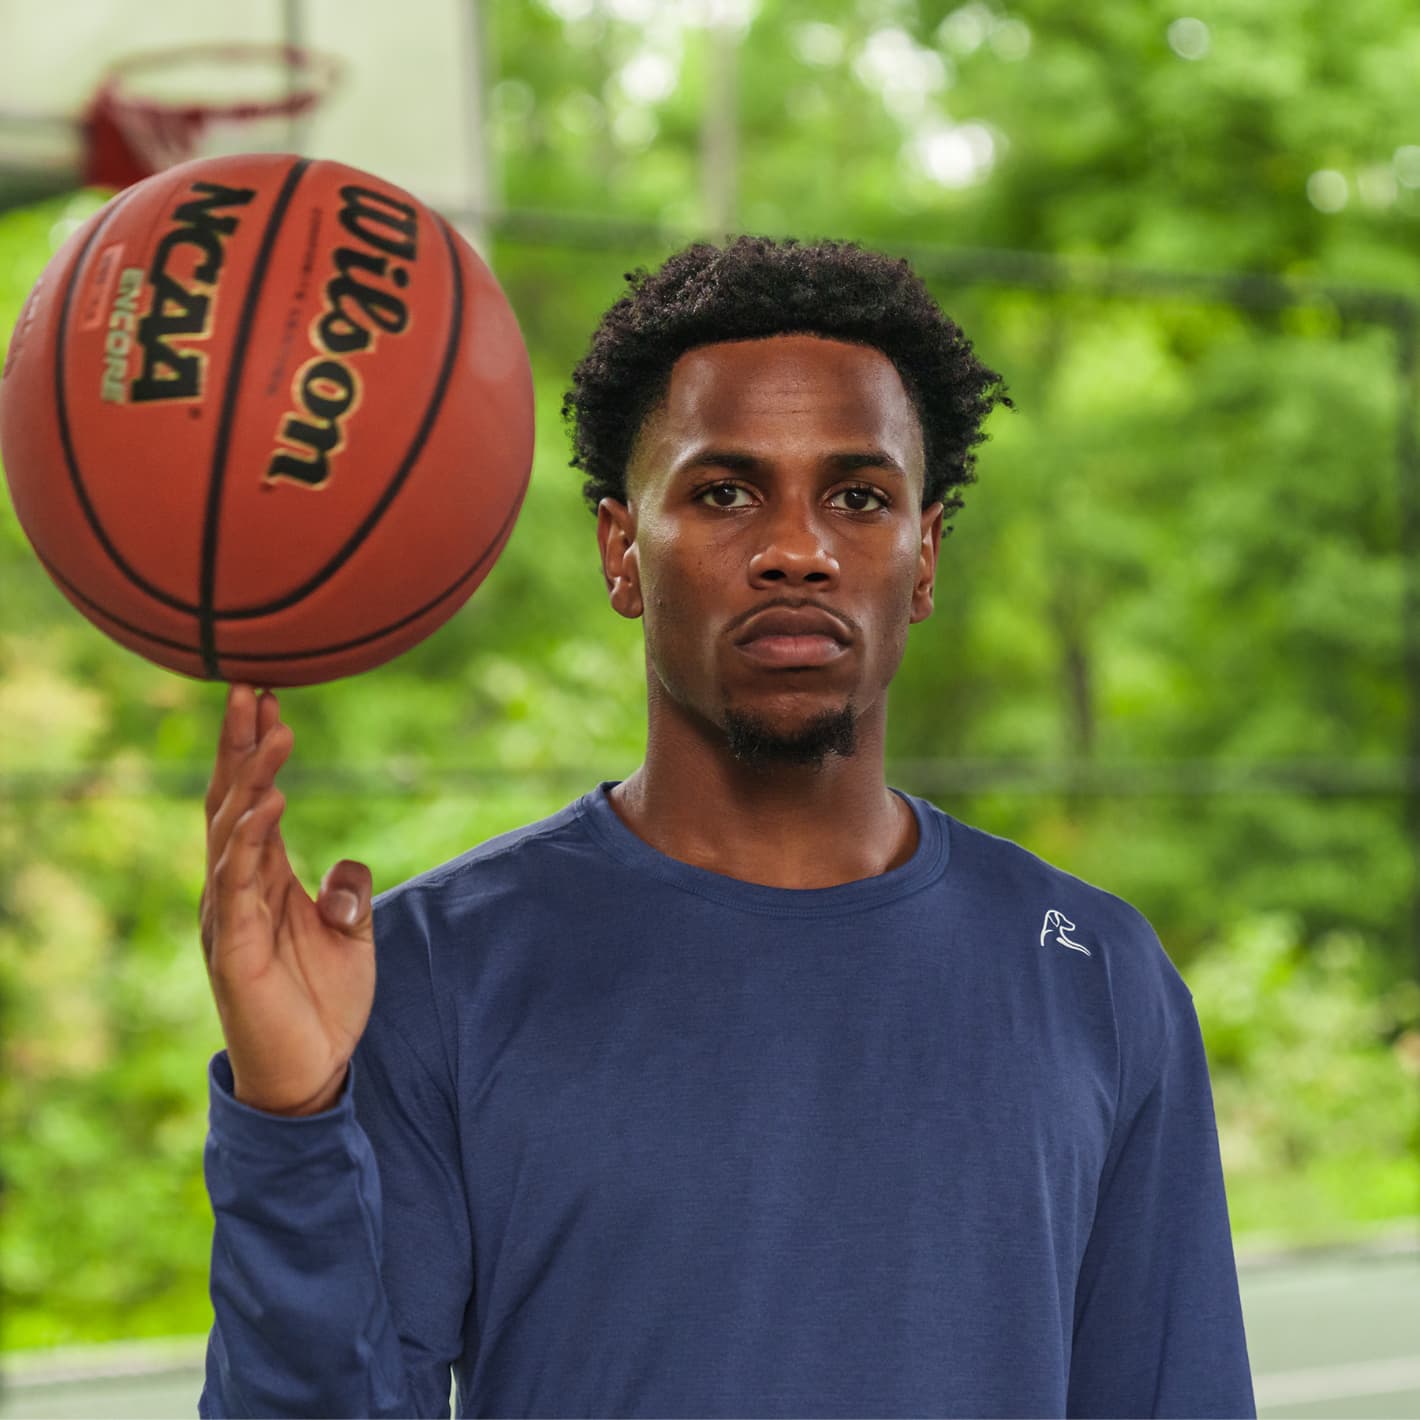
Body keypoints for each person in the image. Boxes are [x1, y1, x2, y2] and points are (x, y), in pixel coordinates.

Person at [197, 236, 1255, 1419]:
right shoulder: (429, 975)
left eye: (858, 497)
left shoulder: (1099, 976)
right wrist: (289, 1115)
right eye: (724, 491)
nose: (796, 549)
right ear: (621, 551)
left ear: (925, 557)